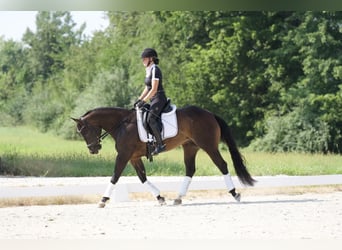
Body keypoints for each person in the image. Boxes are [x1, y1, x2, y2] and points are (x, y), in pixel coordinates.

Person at [134, 48, 167, 155]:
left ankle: (160, 145)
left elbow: (154, 89)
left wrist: (144, 101)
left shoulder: (155, 70)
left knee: (151, 119)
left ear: (151, 59)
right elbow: (147, 88)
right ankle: (150, 142)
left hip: (159, 98)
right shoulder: (149, 70)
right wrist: (139, 99)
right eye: (142, 59)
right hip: (153, 98)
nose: (143, 61)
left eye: (145, 58)